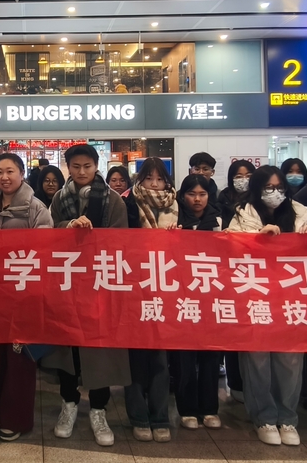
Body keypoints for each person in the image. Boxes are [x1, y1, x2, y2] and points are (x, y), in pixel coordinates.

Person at [43, 144, 132, 448]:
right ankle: (68, 403)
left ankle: (98, 409)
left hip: (100, 285)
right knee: (68, 348)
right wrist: (69, 227)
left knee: (99, 348)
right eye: (76, 166)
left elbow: (120, 242)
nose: (81, 172)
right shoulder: (59, 199)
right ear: (68, 167)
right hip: (67, 284)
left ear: (96, 166)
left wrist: (93, 235)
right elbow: (49, 235)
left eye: (87, 166)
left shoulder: (113, 200)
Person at [226, 165, 307, 447]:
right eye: (268, 188)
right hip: (256, 298)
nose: (274, 193)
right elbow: (228, 248)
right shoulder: (242, 215)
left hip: (292, 299)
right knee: (257, 360)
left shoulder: (302, 213)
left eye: (279, 187)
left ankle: (288, 418)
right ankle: (264, 417)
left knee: (290, 361)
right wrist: (256, 239)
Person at [0, 153, 53, 442]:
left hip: (24, 293)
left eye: (10, 171)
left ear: (22, 173)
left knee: (20, 358)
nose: (4, 177)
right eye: (0, 172)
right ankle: (0, 415)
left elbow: (45, 249)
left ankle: (17, 420)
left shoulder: (35, 208)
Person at [124, 158, 177, 443]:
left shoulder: (177, 206)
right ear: (140, 180)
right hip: (134, 287)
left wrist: (180, 238)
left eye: (159, 179)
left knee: (160, 358)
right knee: (135, 357)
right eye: (148, 178)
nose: (154, 184)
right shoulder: (128, 204)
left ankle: (159, 417)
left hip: (167, 289)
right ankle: (138, 416)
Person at [171, 174, 224, 431]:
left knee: (211, 357)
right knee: (184, 358)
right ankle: (187, 409)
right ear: (183, 196)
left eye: (202, 194)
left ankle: (210, 408)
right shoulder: (174, 219)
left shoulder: (220, 221)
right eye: (192, 194)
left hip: (211, 297)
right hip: (182, 297)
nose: (197, 199)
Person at [217, 160, 255, 229]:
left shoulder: (258, 196)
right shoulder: (224, 196)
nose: (244, 180)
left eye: (248, 176)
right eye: (239, 176)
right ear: (231, 178)